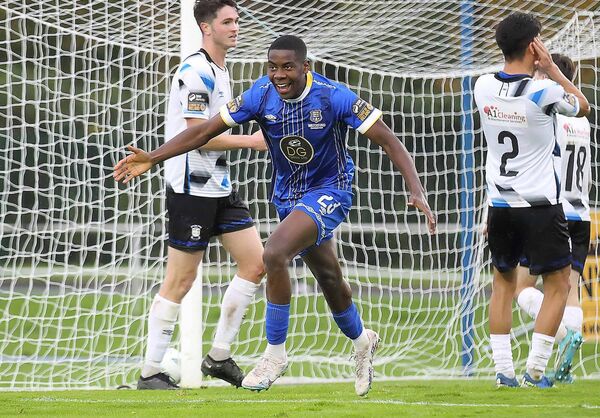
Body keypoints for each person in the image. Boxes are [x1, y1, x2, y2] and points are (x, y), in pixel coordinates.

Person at [114, 34, 436, 396]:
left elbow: (389, 140)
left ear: (305, 67)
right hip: (288, 198)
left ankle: (274, 355)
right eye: (273, 67)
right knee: (329, 277)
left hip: (331, 191)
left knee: (273, 253)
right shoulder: (260, 94)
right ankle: (363, 341)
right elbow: (204, 130)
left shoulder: (334, 96)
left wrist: (416, 188)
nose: (279, 75)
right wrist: (153, 156)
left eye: (287, 67)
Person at [133, 0, 267, 390]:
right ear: (206, 27)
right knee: (181, 279)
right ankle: (150, 372)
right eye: (227, 21)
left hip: (219, 187)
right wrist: (253, 142)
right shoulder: (195, 70)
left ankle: (219, 357)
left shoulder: (221, 71)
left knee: (256, 263)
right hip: (191, 188)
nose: (235, 27)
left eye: (237, 20)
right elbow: (198, 135)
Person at [473, 13, 590, 388]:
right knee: (559, 286)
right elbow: (583, 106)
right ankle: (535, 371)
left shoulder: (482, 86)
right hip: (541, 206)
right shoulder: (546, 92)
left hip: (501, 205)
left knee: (503, 285)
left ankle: (503, 372)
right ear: (533, 47)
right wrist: (554, 70)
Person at [514, 53, 591, 383]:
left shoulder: (552, 114)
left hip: (552, 209)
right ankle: (565, 366)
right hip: (582, 213)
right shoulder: (582, 120)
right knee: (568, 289)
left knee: (522, 289)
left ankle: (559, 336)